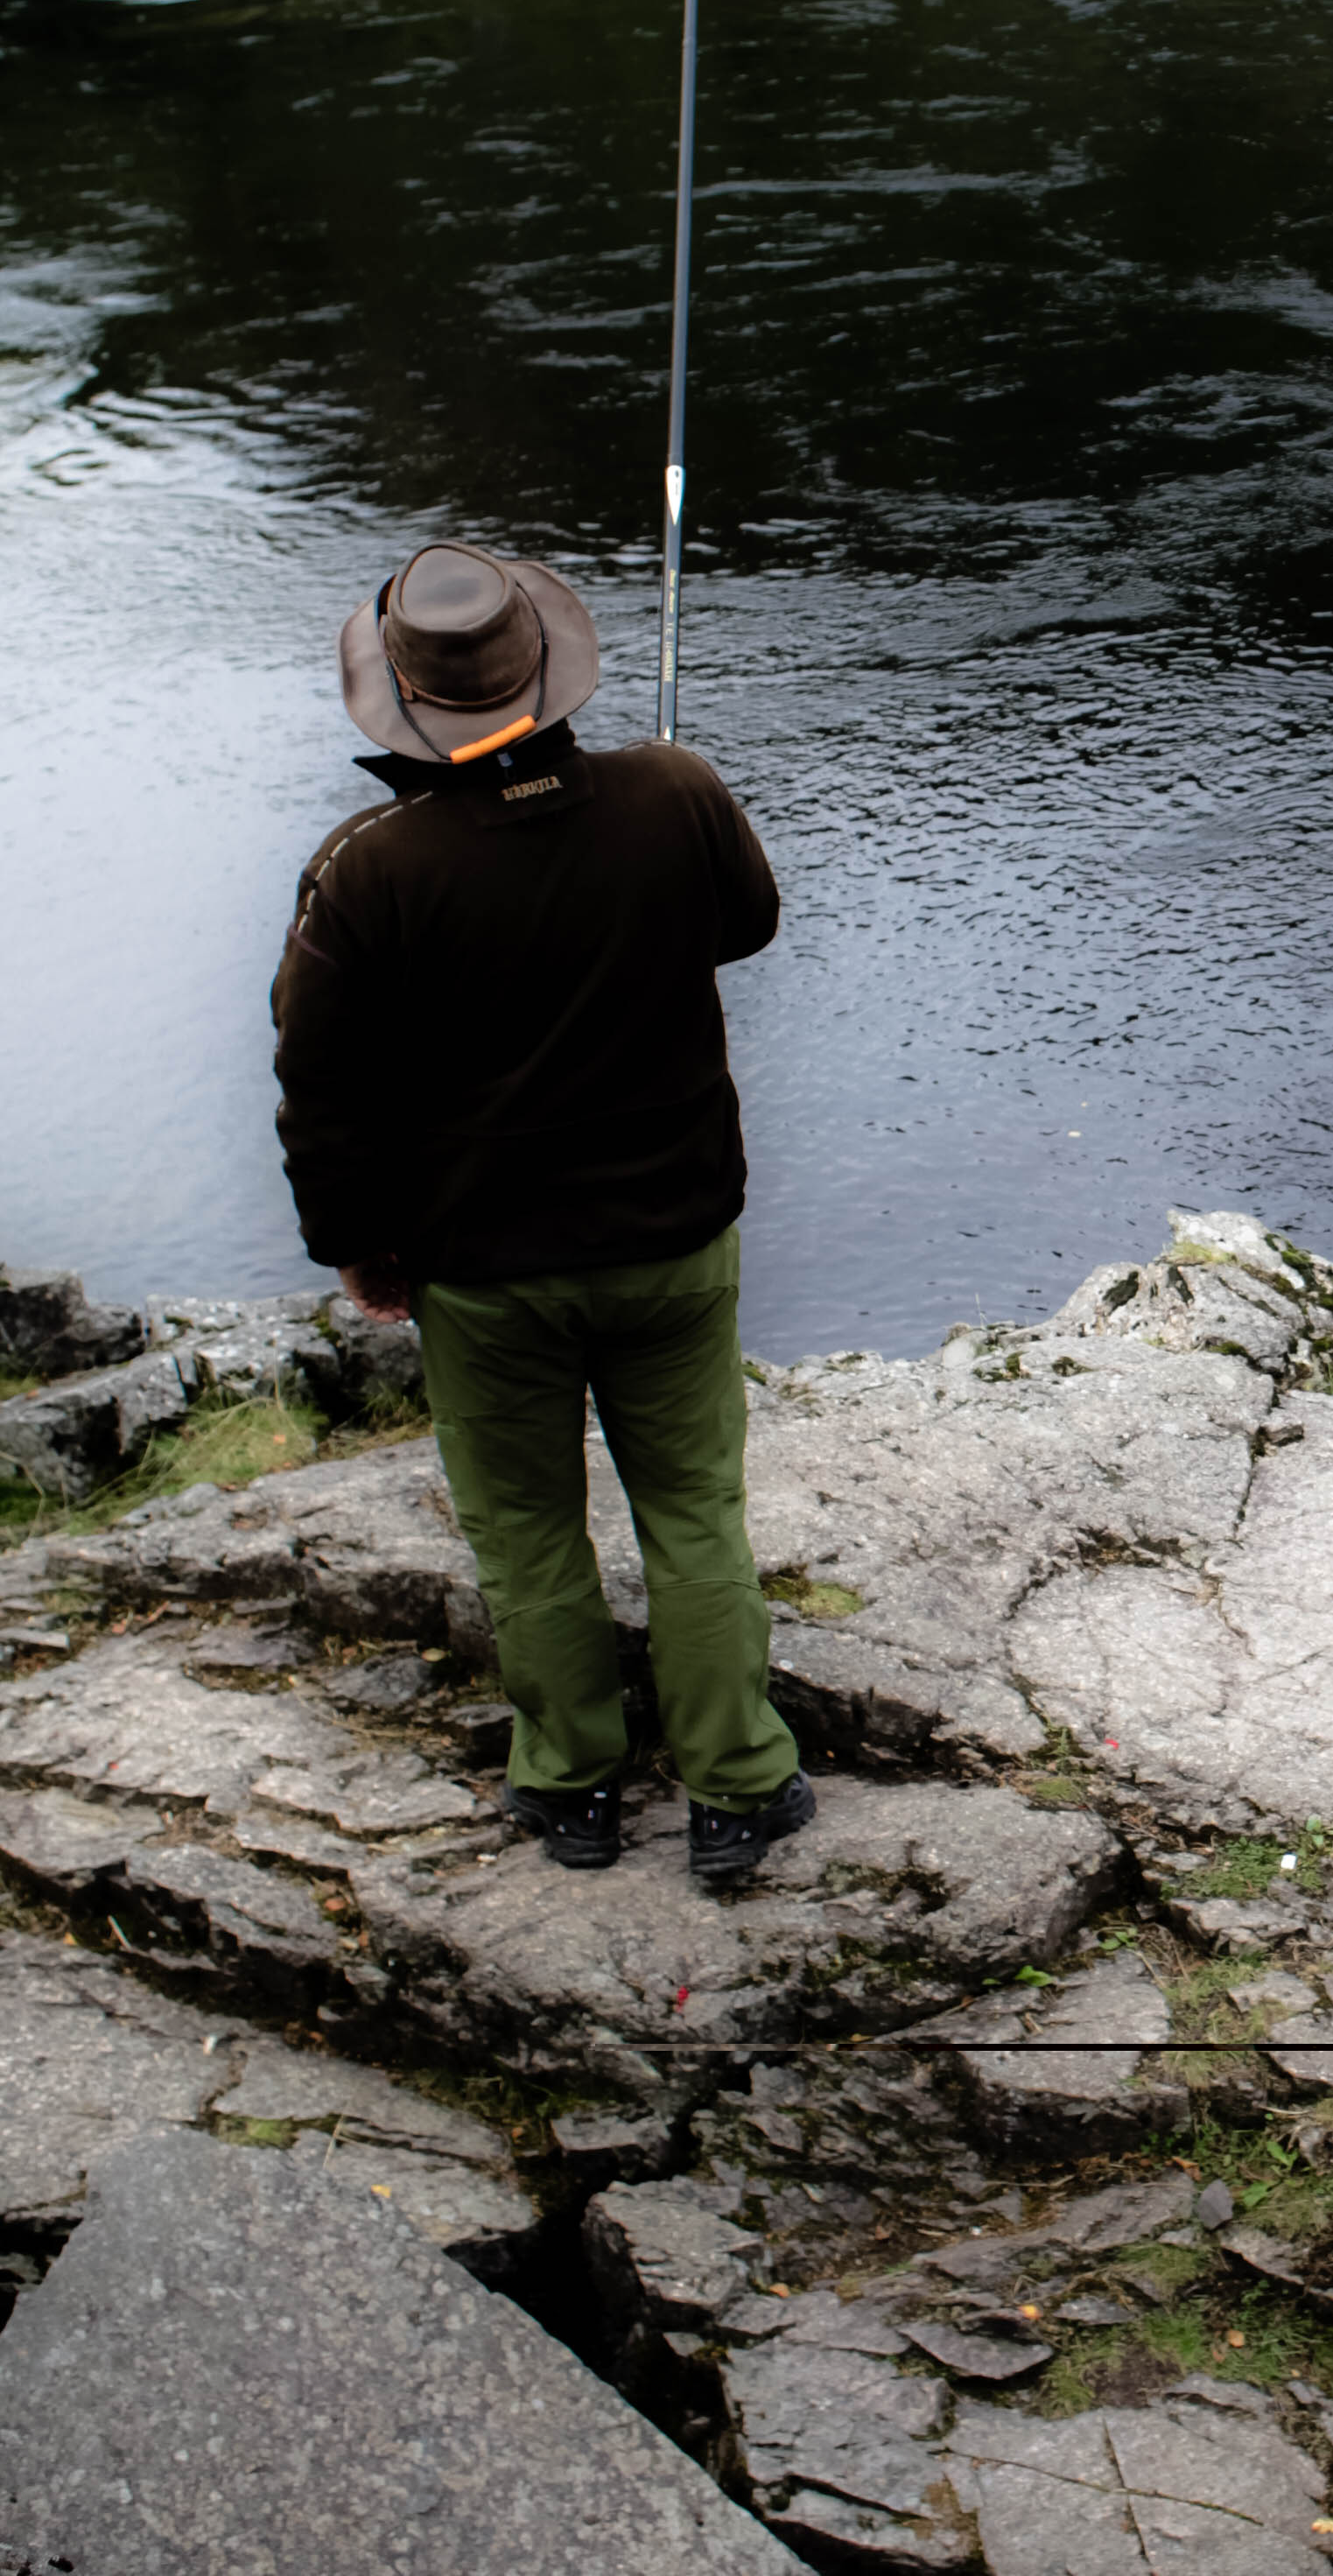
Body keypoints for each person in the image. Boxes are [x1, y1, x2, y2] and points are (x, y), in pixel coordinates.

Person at [270, 537, 816, 1890]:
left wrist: (357, 1247)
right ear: (546, 667)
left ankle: (570, 1785)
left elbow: (321, 1092)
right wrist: (661, 838)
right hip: (674, 1242)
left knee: (526, 1531)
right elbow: (746, 925)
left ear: (403, 695)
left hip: (483, 1269)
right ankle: (739, 1788)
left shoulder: (367, 866)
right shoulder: (674, 789)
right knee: (695, 1511)